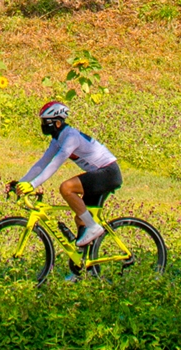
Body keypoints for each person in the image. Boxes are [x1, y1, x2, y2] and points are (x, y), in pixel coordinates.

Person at [10, 101, 121, 251]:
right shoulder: (58, 139)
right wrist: (21, 182)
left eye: (45, 122)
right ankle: (84, 268)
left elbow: (55, 163)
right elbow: (42, 163)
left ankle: (93, 227)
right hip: (100, 173)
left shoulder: (71, 137)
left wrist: (33, 185)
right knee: (80, 218)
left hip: (108, 173)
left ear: (56, 123)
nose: (42, 125)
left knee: (67, 188)